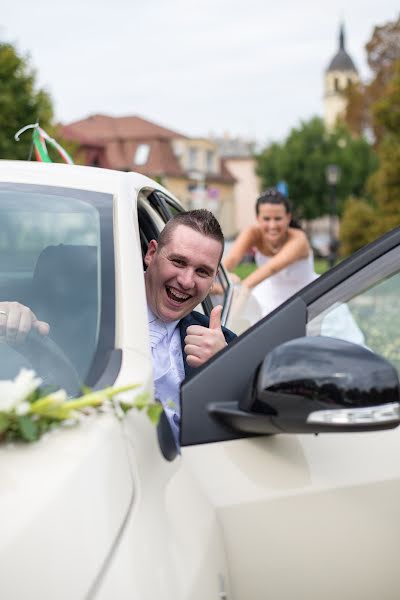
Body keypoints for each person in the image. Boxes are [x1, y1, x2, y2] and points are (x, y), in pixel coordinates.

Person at [144, 209, 236, 445]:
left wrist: (223, 369)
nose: (186, 281)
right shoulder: (89, 310)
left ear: (214, 278)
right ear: (152, 253)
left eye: (202, 272)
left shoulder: (225, 345)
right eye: (178, 261)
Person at [224, 188, 318, 318]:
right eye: (266, 219)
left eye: (278, 218)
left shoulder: (299, 239)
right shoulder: (252, 233)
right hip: (270, 298)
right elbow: (231, 260)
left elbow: (271, 268)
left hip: (307, 297)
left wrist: (239, 295)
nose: (272, 225)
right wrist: (223, 277)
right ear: (258, 218)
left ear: (288, 218)